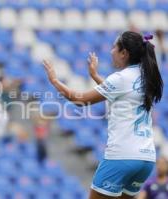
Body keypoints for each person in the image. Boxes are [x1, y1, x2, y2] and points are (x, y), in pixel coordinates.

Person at [42, 31, 163, 199]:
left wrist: (55, 81)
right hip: (146, 159)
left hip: (122, 156)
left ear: (124, 53)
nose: (111, 51)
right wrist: (95, 76)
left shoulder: (121, 78)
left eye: (114, 47)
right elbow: (121, 93)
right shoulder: (146, 75)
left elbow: (80, 100)